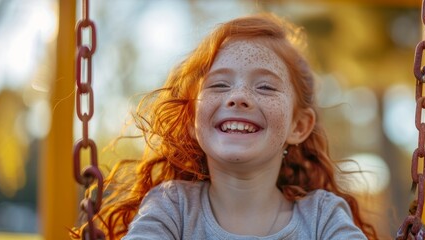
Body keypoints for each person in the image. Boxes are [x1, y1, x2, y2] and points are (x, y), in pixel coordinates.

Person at [81, 13, 377, 240]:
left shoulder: (321, 217)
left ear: (298, 126)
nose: (238, 97)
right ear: (193, 115)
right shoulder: (173, 207)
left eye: (265, 87)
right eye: (220, 84)